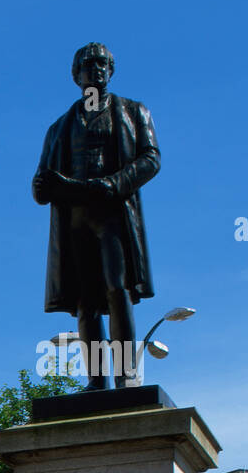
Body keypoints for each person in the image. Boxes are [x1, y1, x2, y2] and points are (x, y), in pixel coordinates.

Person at [33, 42, 159, 392]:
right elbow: (40, 183)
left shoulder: (133, 112)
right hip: (76, 218)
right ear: (76, 75)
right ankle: (96, 380)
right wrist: (44, 186)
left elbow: (150, 158)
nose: (97, 69)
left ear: (111, 70)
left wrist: (114, 183)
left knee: (117, 291)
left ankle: (124, 376)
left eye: (103, 63)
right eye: (89, 64)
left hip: (112, 214)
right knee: (85, 302)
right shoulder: (60, 128)